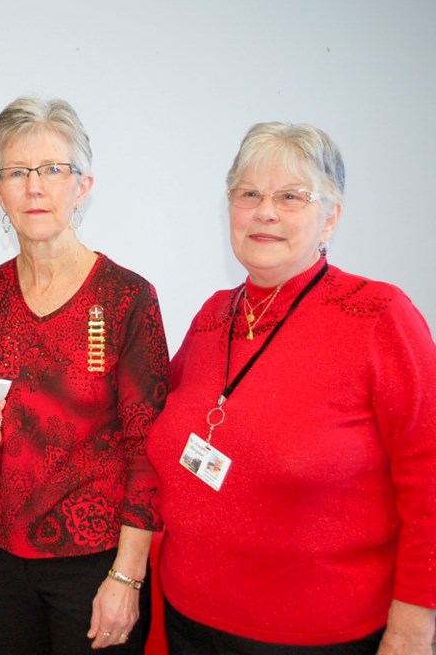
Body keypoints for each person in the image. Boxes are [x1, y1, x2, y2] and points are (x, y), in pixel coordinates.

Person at [147, 122, 436, 654]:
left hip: (317, 635)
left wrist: (415, 626)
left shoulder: (379, 318)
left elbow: (430, 482)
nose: (266, 211)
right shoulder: (213, 316)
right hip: (190, 621)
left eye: (291, 197)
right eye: (249, 194)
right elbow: (157, 432)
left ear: (332, 216)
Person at [0, 96, 170, 654]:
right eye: (17, 172)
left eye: (52, 170)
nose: (35, 187)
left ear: (83, 185)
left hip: (95, 560)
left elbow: (150, 450)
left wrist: (127, 577)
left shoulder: (126, 297)